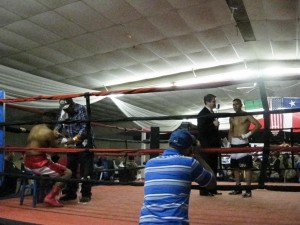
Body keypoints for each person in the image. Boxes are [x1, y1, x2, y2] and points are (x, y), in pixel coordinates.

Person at [139, 129, 216, 224]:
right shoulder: (189, 163)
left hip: (146, 222)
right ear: (190, 148)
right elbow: (211, 184)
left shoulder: (150, 164)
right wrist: (198, 155)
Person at [23, 111, 72, 207]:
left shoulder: (35, 127)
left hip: (26, 162)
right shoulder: (49, 133)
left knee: (46, 173)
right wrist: (67, 144)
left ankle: (41, 195)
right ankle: (50, 197)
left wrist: (54, 135)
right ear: (53, 120)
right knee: (68, 173)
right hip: (38, 164)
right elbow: (56, 150)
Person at [54, 98, 94, 203]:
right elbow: (59, 123)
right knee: (70, 168)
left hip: (84, 143)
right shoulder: (64, 111)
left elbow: (85, 128)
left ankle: (86, 194)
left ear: (72, 104)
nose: (66, 111)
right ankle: (70, 193)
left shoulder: (81, 109)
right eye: (64, 109)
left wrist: (74, 139)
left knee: (85, 170)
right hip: (72, 144)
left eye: (67, 108)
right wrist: (56, 130)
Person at [228, 98, 261, 197]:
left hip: (243, 142)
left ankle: (248, 190)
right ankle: (238, 188)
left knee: (247, 168)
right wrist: (229, 142)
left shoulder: (246, 114)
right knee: (235, 167)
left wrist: (248, 134)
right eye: (233, 104)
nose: (235, 106)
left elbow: (258, 125)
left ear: (241, 105)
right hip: (234, 142)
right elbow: (231, 130)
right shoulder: (232, 117)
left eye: (237, 104)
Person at [197, 93, 221, 196]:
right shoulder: (203, 113)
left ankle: (212, 189)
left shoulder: (210, 112)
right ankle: (204, 190)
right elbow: (201, 130)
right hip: (207, 145)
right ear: (207, 102)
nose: (215, 103)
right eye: (213, 101)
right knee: (207, 167)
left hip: (213, 144)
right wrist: (213, 125)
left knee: (213, 166)